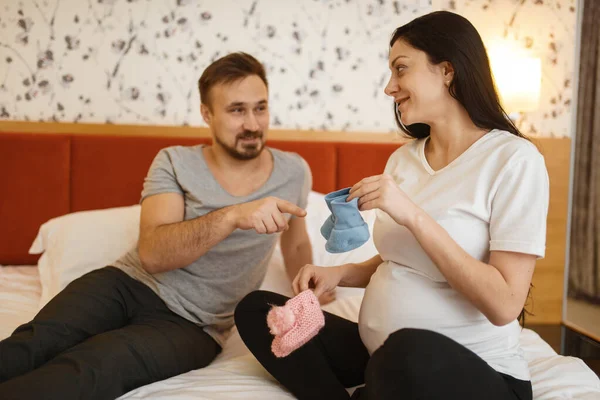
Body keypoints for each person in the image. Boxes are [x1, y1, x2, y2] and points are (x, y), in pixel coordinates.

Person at [235, 11, 548, 400]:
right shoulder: (404, 160)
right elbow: (402, 259)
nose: (389, 87)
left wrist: (412, 214)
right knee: (258, 311)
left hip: (474, 370)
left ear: (447, 71)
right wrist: (340, 273)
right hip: (381, 356)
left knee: (403, 352)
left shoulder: (514, 160)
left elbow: (504, 304)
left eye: (401, 70)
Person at [0, 52, 317, 400]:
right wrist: (231, 216)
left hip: (194, 326)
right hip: (125, 284)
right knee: (34, 342)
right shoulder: (174, 161)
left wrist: (308, 286)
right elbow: (153, 254)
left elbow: (296, 241)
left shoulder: (294, 172)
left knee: (88, 370)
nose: (254, 124)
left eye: (260, 108)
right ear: (207, 114)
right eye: (237, 110)